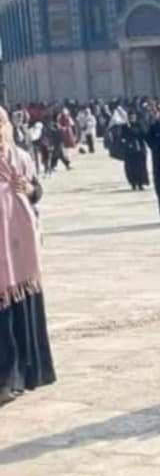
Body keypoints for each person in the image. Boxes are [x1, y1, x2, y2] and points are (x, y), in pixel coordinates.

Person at [0, 105, 55, 405]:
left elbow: (37, 191)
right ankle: (9, 377)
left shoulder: (19, 156)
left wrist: (30, 189)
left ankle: (21, 374)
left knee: (19, 307)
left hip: (19, 243)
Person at [120, 111, 150, 191]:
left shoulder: (139, 125)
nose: (132, 118)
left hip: (140, 149)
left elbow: (143, 134)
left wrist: (132, 130)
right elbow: (123, 136)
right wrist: (128, 129)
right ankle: (133, 183)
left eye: (133, 116)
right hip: (130, 150)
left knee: (140, 167)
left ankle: (140, 183)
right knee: (131, 167)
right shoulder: (124, 126)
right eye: (130, 117)